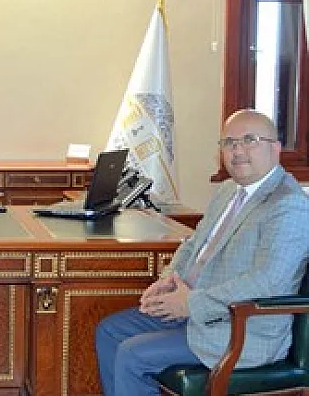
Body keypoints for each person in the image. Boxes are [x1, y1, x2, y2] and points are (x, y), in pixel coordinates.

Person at [94, 109, 309, 395]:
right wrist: (168, 280)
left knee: (132, 354)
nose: (238, 151)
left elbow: (267, 282)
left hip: (240, 329)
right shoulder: (228, 190)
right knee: (109, 332)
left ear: (276, 148)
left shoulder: (288, 204)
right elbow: (194, 244)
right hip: (196, 310)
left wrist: (192, 303)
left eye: (250, 140)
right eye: (229, 143)